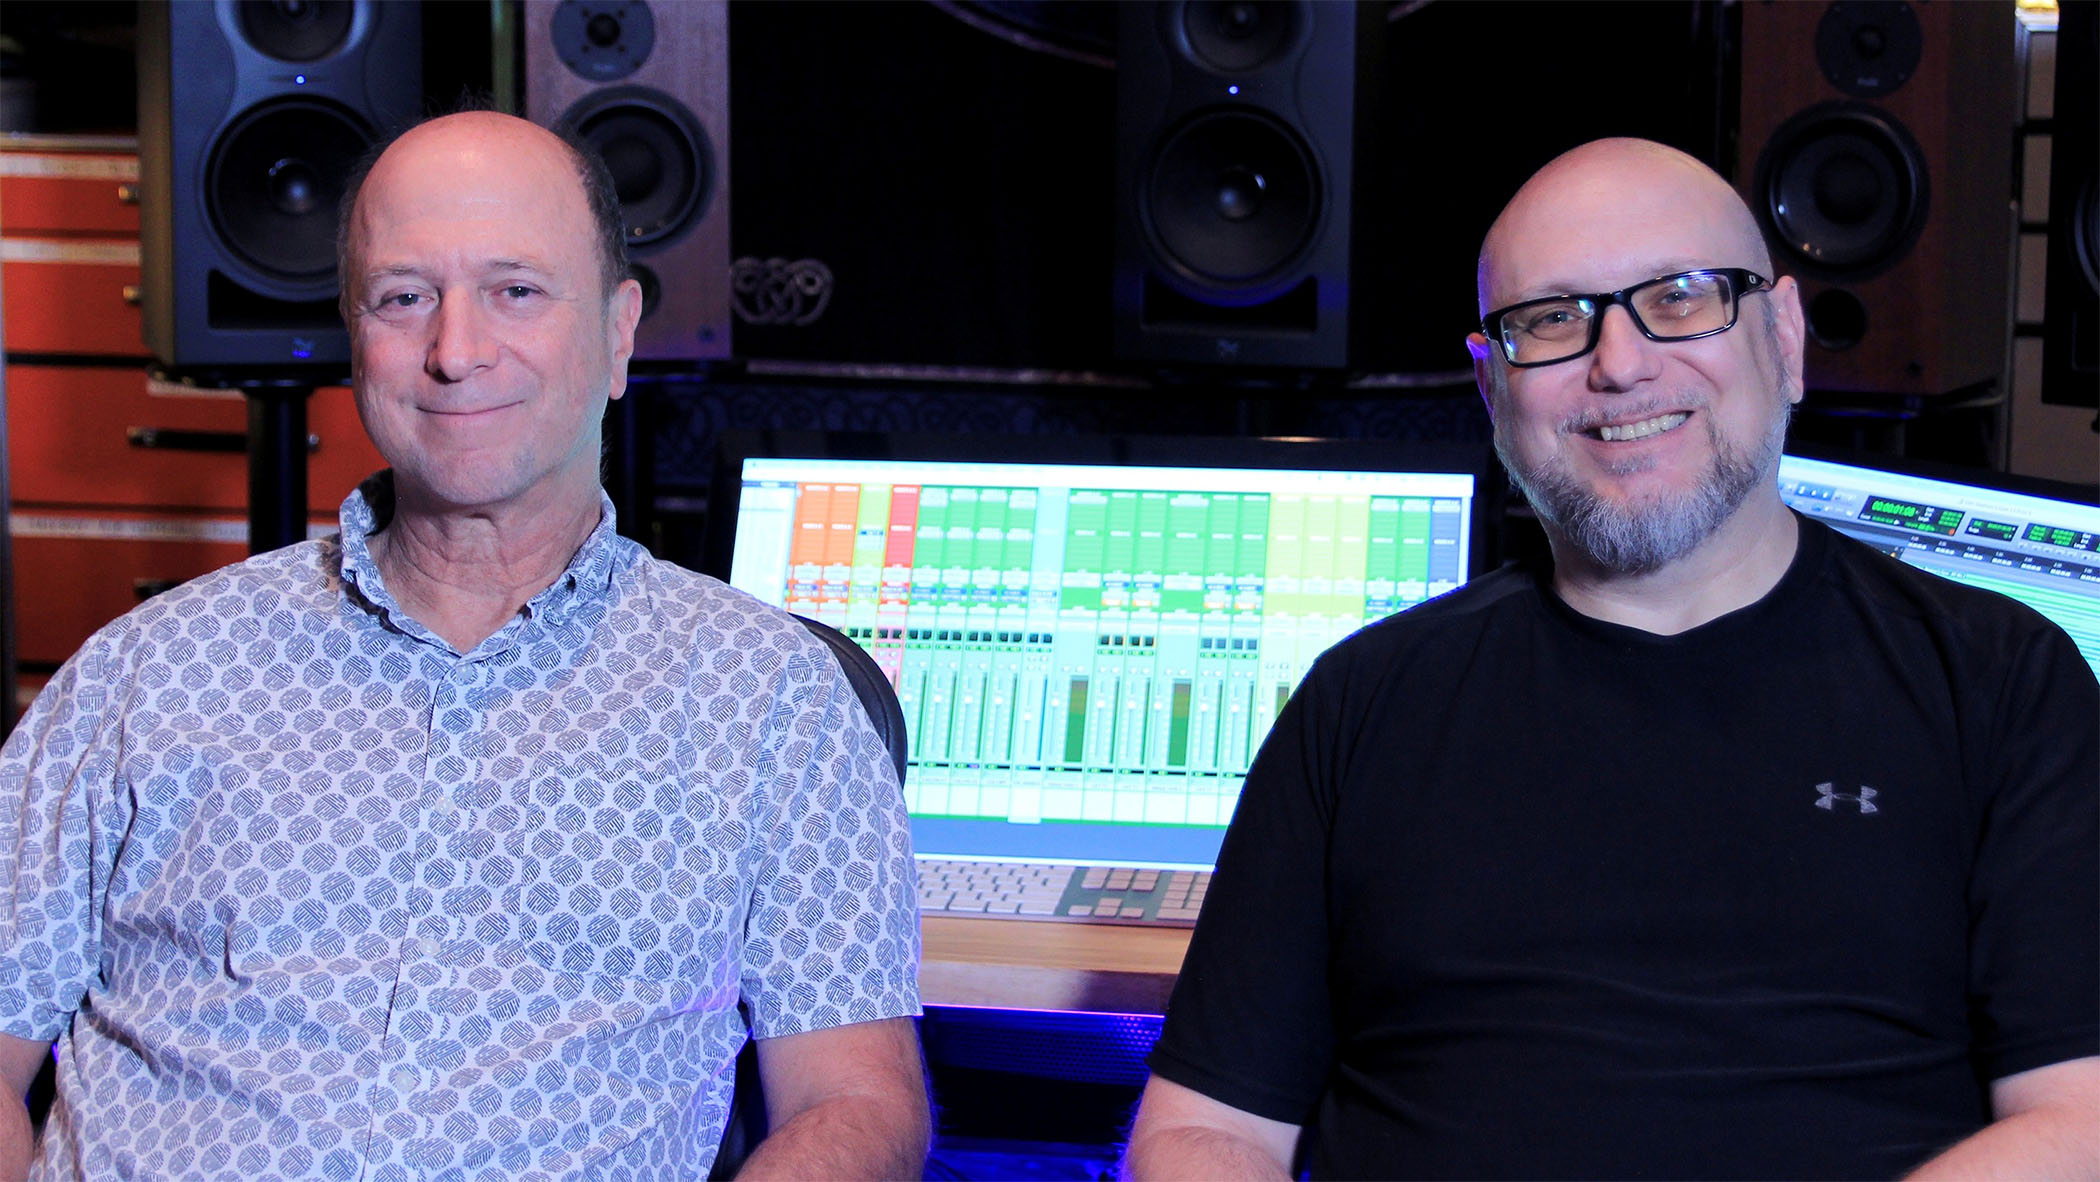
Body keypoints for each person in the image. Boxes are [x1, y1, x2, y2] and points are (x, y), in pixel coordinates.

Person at [1123, 138, 2100, 1179]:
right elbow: (1201, 1131)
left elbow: (2080, 1120)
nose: (1621, 365)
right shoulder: (1361, 704)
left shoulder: (2003, 683)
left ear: (1784, 336)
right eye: (1553, 320)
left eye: (1679, 298)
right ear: (1492, 385)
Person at [0, 111, 929, 1181]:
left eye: (515, 291)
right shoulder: (146, 673)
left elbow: (855, 1102)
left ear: (620, 332)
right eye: (404, 298)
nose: (455, 351)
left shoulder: (773, 702)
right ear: (355, 335)